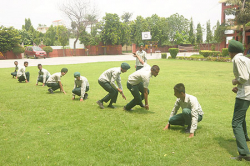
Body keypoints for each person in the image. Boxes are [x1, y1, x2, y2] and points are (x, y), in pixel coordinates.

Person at [229, 40, 250, 161]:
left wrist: (235, 81)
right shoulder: (247, 59)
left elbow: (244, 77)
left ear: (231, 52)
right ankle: (245, 137)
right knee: (241, 118)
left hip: (244, 95)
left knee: (236, 122)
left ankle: (244, 154)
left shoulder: (237, 59)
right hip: (247, 92)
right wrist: (240, 87)